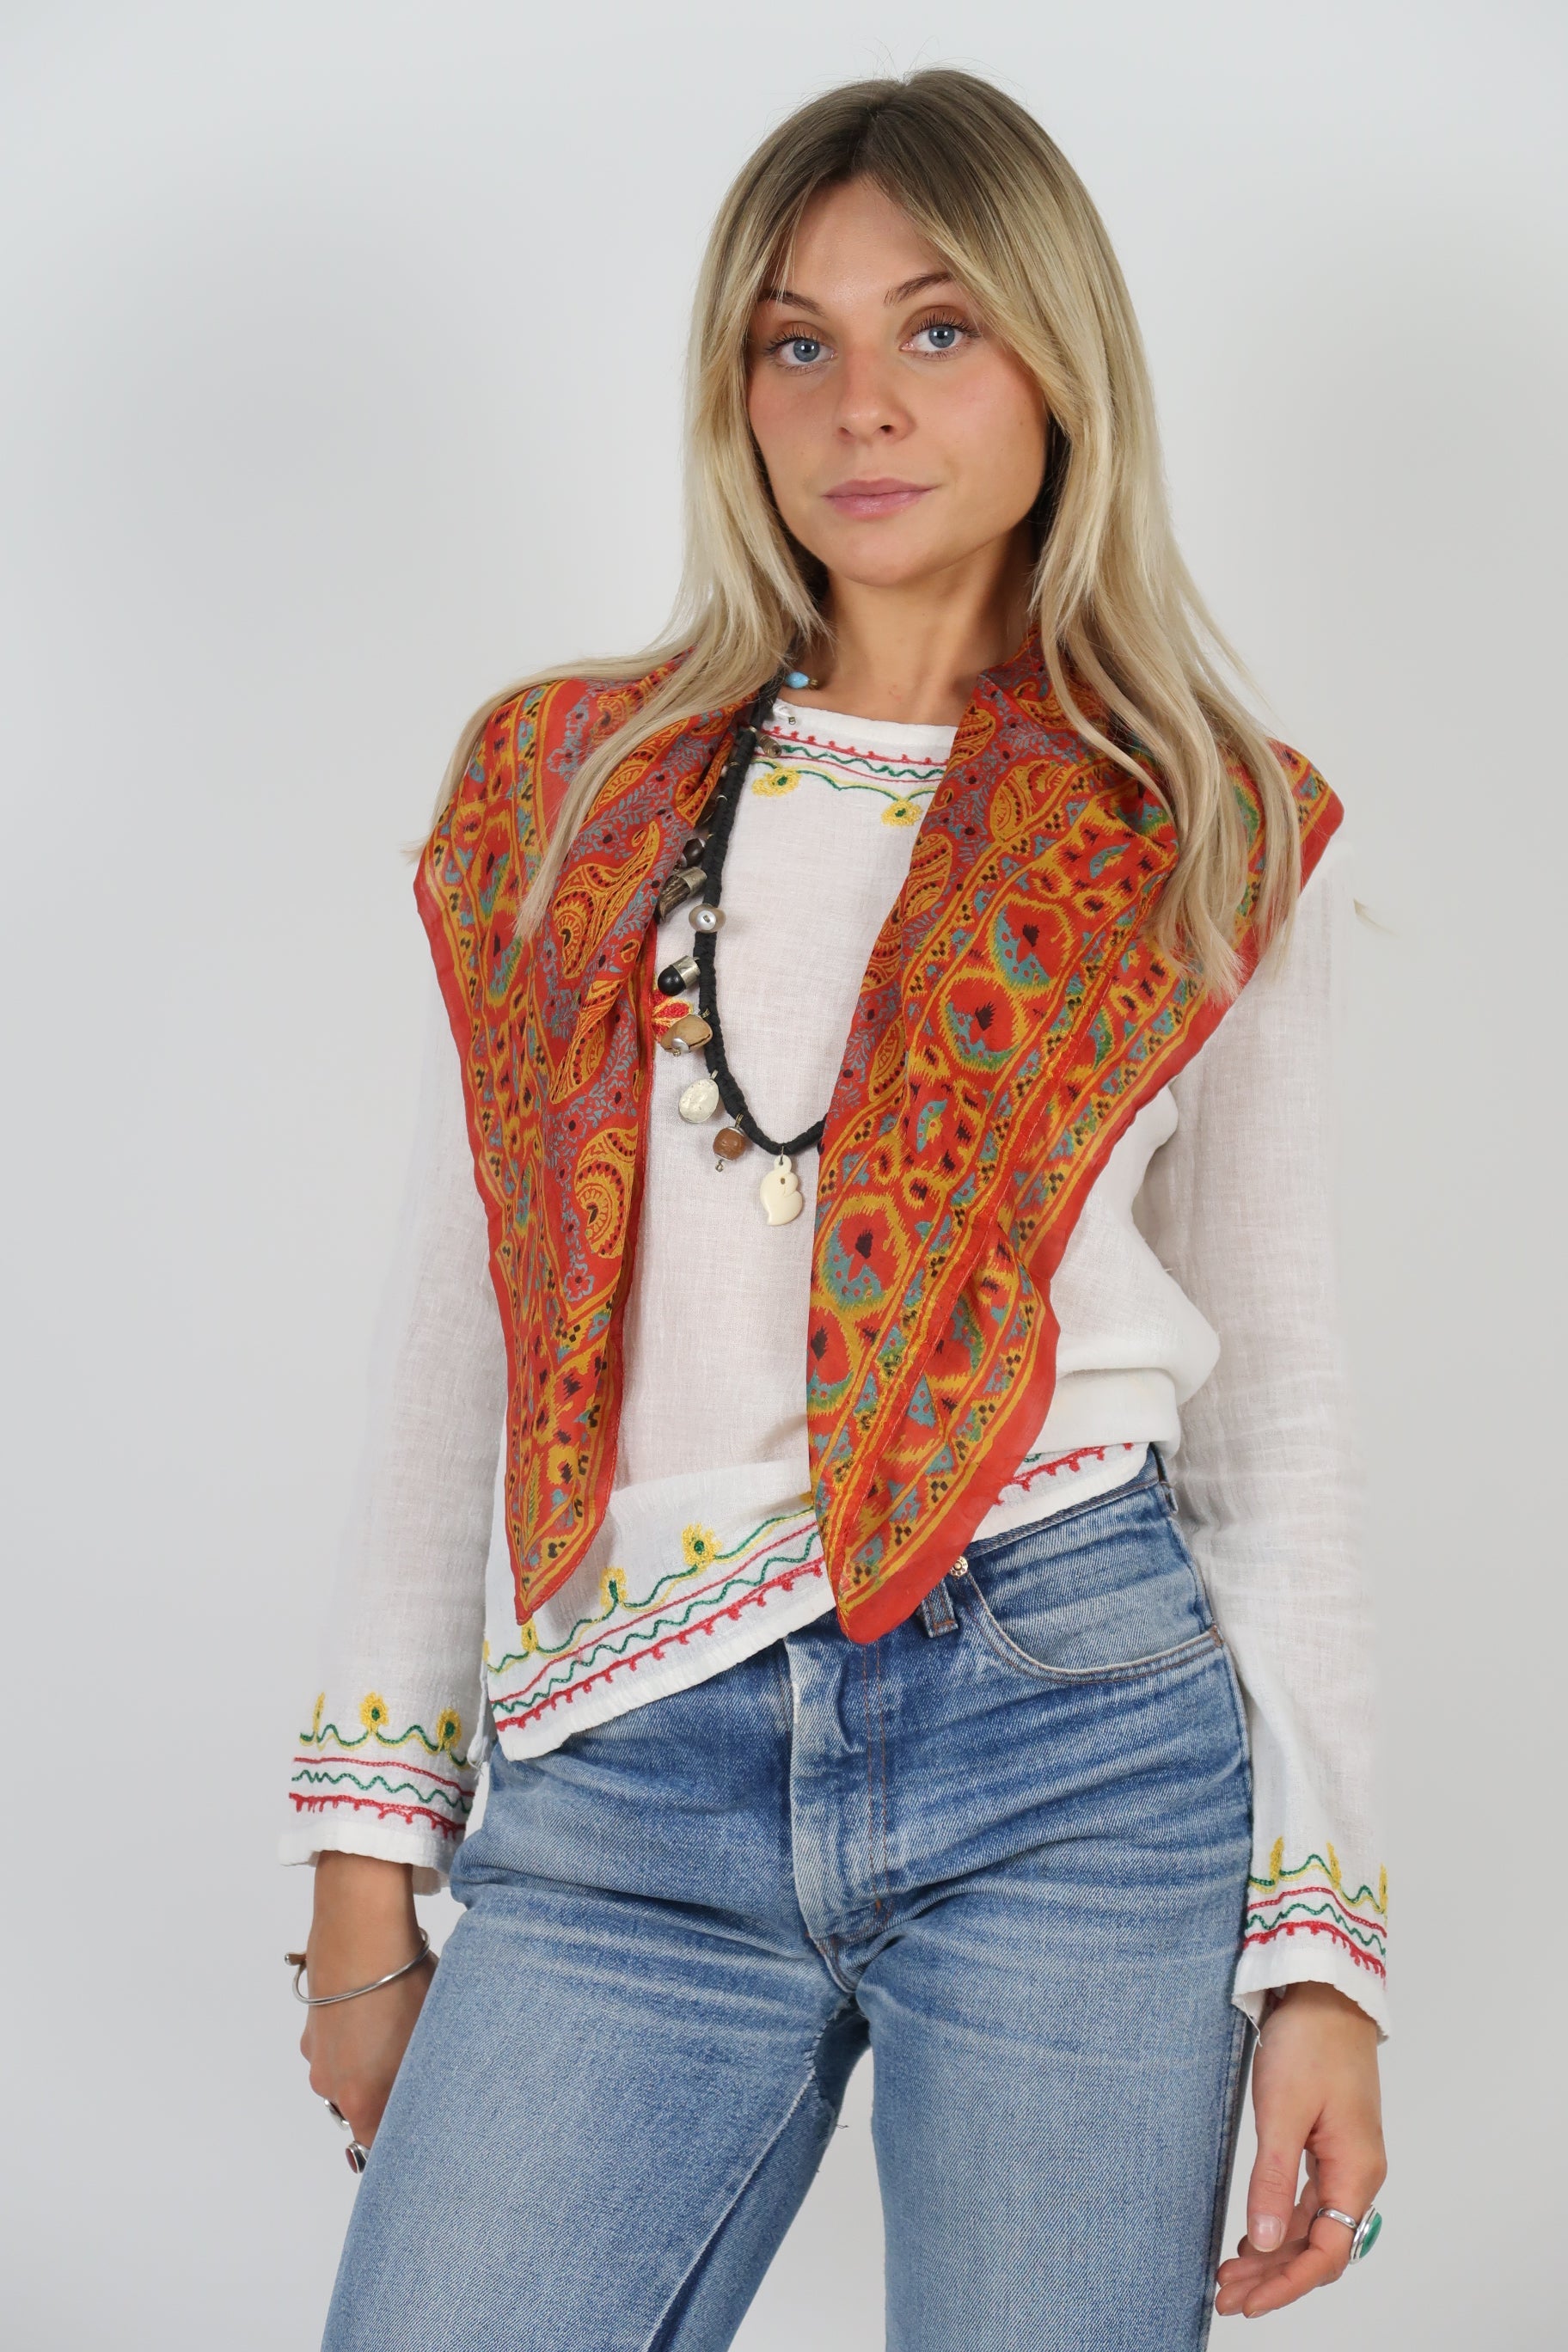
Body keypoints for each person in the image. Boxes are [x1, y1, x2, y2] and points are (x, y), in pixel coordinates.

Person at [281, 68, 1387, 2351]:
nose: (860, 403)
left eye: (938, 329)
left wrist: (1321, 1962)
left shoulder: (1192, 822)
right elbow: (464, 1332)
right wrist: (368, 1866)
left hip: (1076, 1735)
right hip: (626, 1762)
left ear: (1061, 370)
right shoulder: (570, 789)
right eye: (798, 341)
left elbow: (1275, 1423)